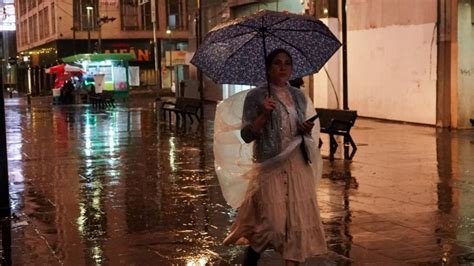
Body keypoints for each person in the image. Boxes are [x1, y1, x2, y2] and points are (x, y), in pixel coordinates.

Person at [214, 49, 327, 266]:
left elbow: (304, 130)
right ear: (268, 68)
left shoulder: (298, 96)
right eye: (277, 63)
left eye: (287, 63)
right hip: (269, 165)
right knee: (271, 225)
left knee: (296, 224)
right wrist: (264, 115)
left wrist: (304, 129)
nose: (283, 67)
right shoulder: (256, 96)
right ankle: (251, 257)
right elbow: (247, 135)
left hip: (297, 164)